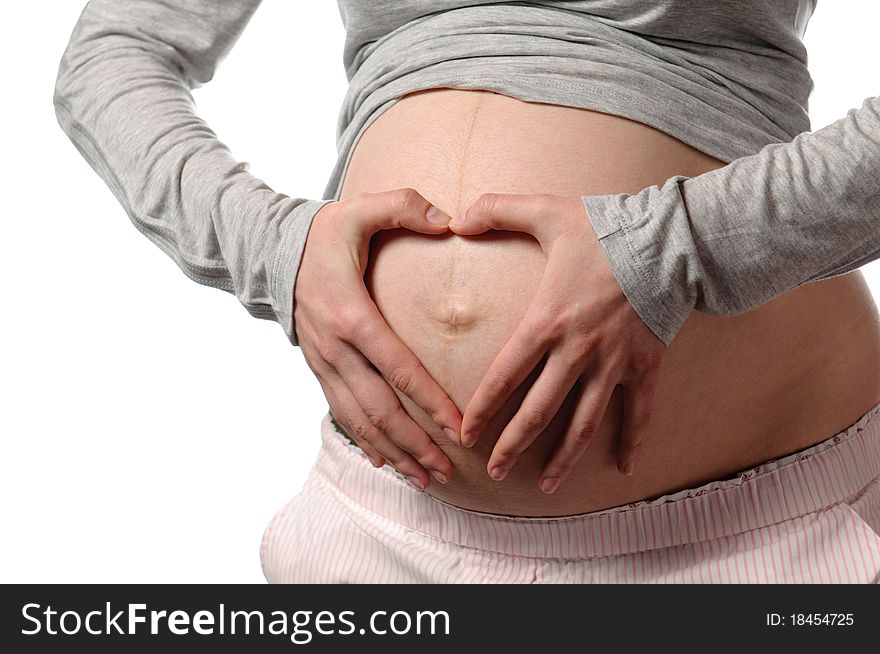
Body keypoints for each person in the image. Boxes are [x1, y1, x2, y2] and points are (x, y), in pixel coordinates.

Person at [54, 0, 880, 583]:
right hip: (386, 537)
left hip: (766, 538)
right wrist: (270, 245)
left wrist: (682, 244)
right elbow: (110, 55)